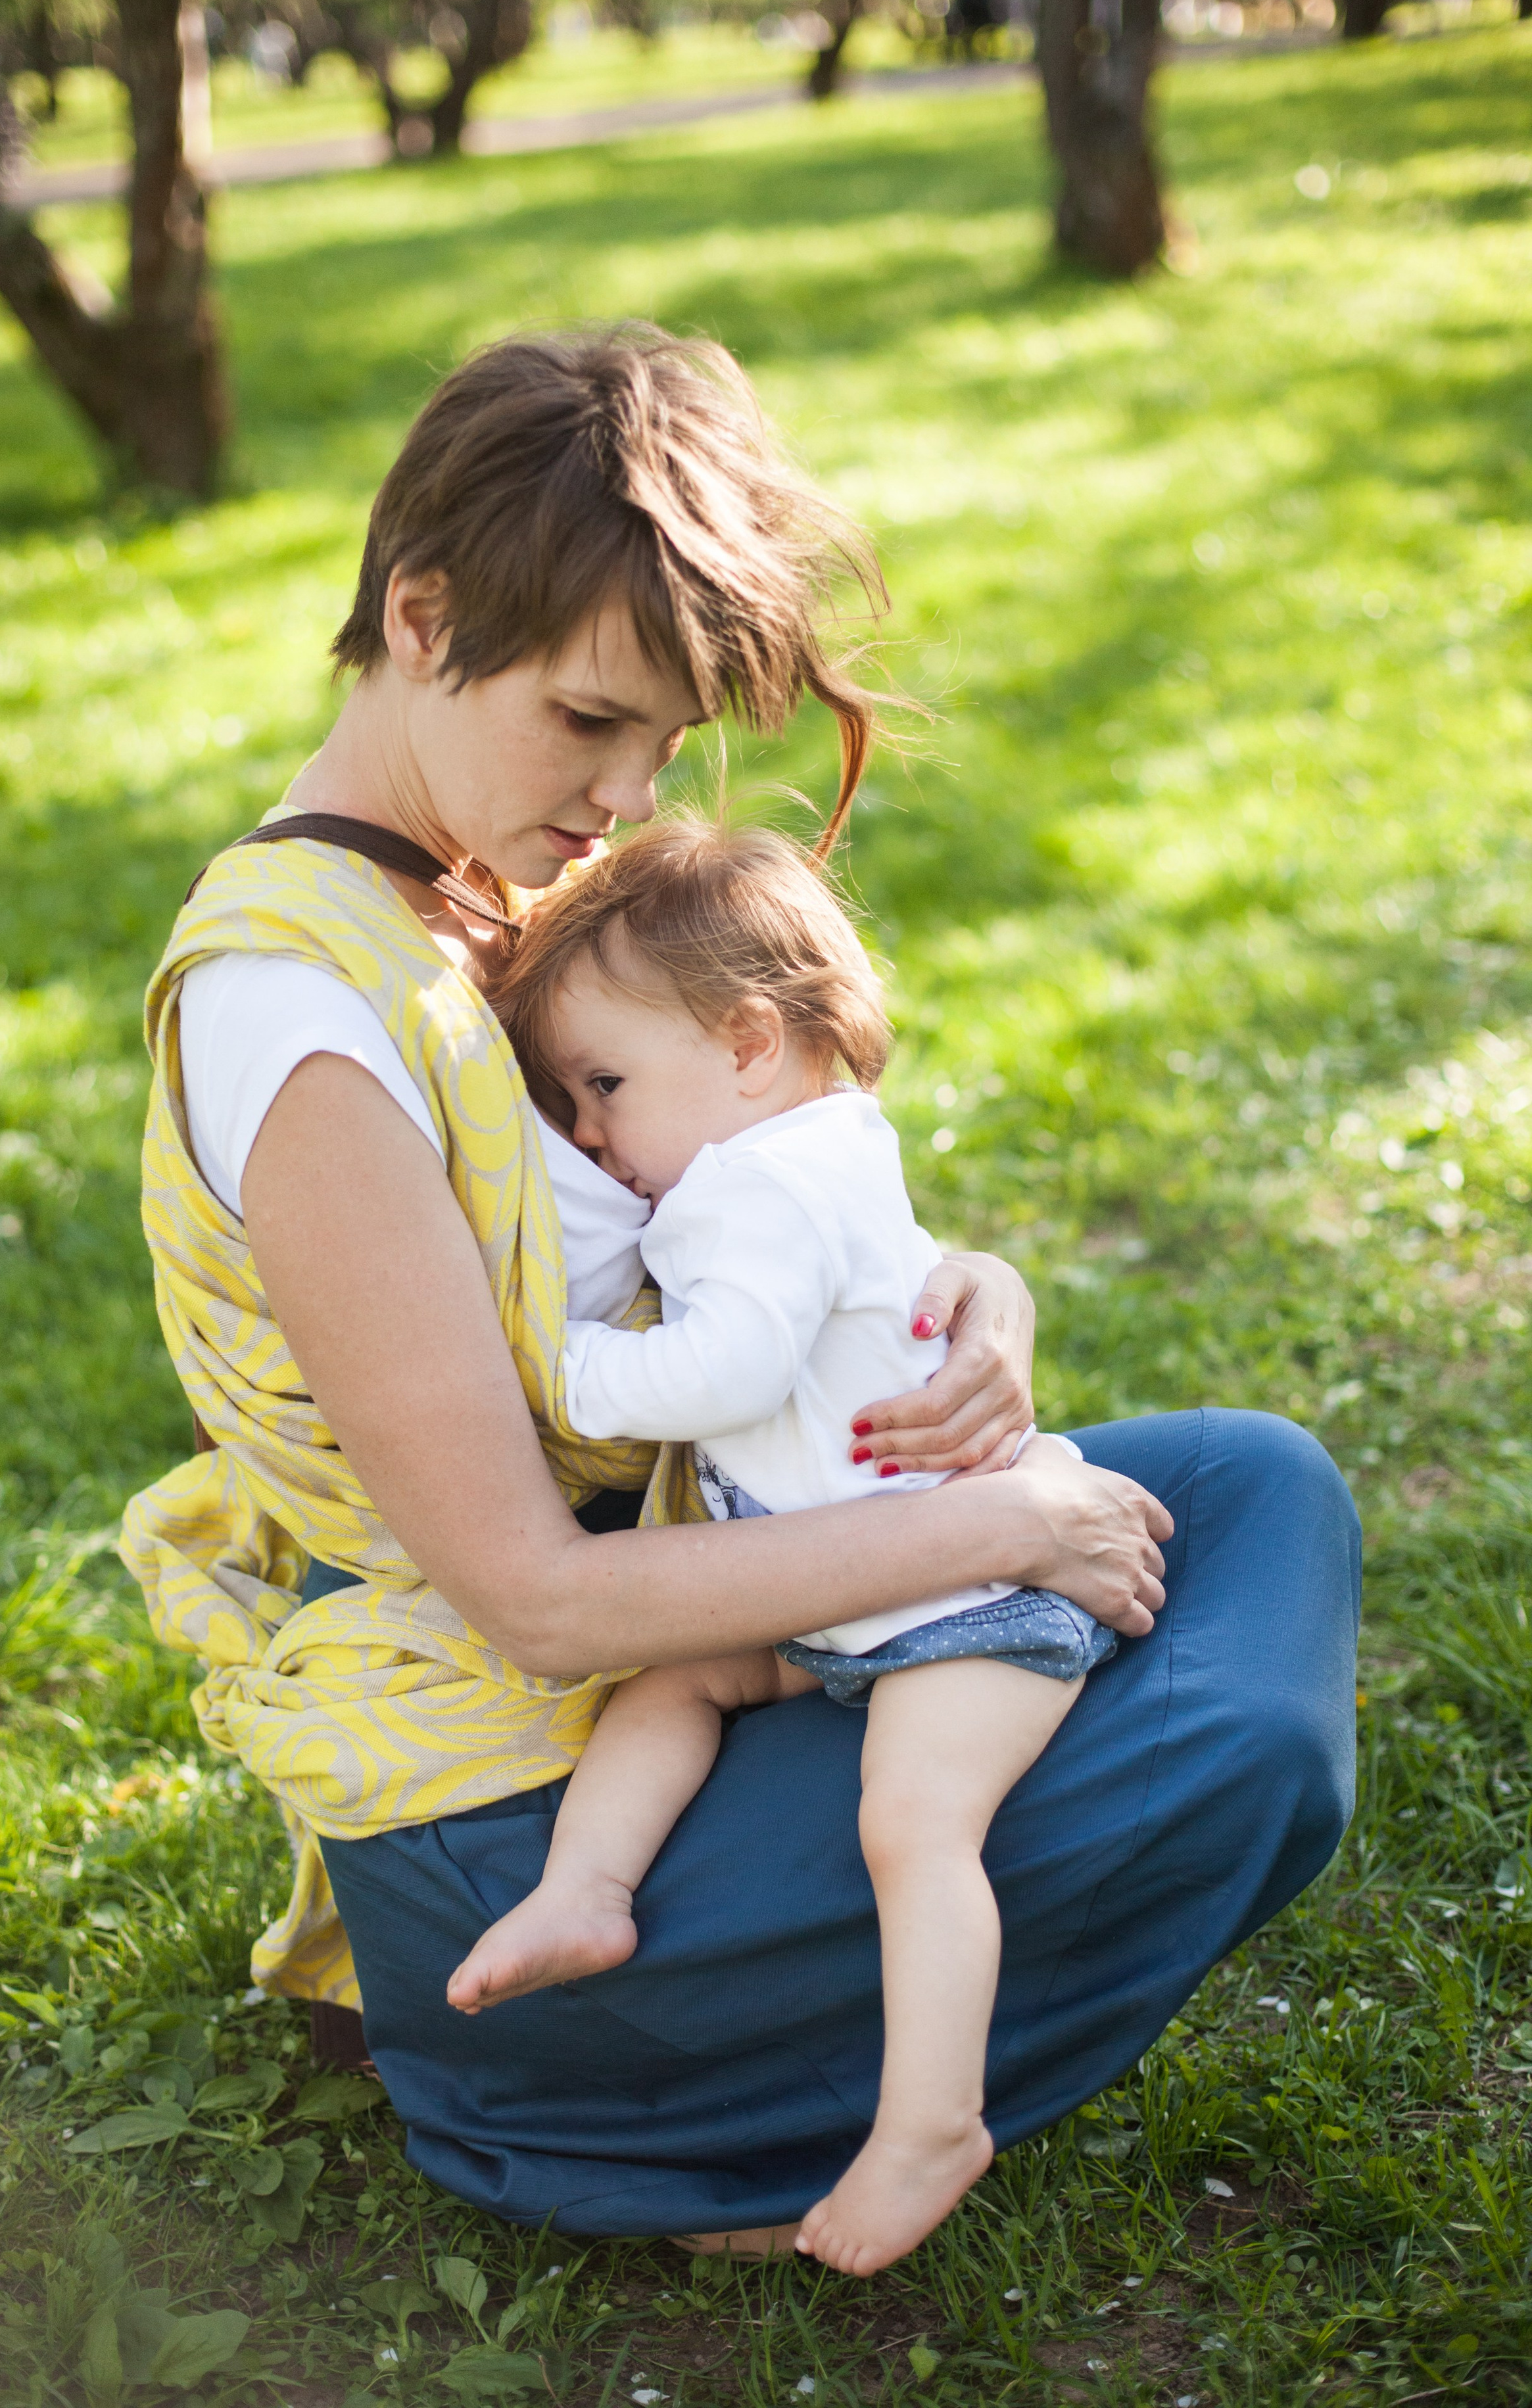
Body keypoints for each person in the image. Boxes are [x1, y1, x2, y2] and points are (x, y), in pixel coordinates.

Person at [121, 321, 1360, 2255]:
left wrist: (983, 1301)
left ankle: (804, 2043)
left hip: (709, 1628)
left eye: (665, 743)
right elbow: (534, 1602)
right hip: (527, 1819)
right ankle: (635, 2119)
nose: (626, 794)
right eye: (592, 720)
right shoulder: (302, 1025)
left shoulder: (488, 878)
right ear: (423, 619)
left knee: (1253, 1487)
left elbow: (775, 1193)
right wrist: (995, 1519)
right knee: (1236, 1741)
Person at [446, 819, 1114, 2277]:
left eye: (603, 1086)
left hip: (963, 1603)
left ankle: (929, 2120)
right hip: (851, 1580)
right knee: (673, 1684)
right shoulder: (806, 1149)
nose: (593, 1134)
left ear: (750, 1042)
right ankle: (585, 1893)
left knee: (911, 1823)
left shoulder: (757, 1184)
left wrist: (555, 1369)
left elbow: (728, 1372)